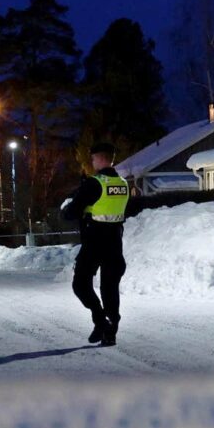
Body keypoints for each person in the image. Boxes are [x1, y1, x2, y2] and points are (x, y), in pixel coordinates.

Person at [57, 141, 129, 345]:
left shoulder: (94, 182)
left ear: (101, 158)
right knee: (110, 287)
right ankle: (111, 330)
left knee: (80, 284)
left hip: (95, 241)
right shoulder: (123, 184)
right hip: (115, 241)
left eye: (93, 158)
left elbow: (73, 211)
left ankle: (101, 321)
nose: (92, 161)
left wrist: (65, 210)